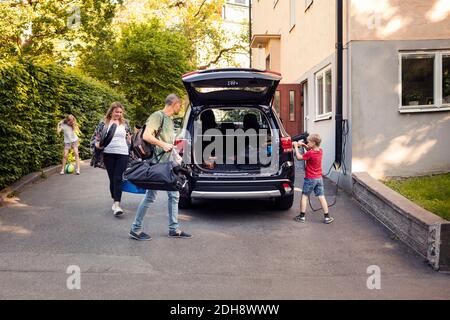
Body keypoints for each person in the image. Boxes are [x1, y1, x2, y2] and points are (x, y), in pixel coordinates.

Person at [129, 94, 192, 241]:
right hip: (157, 164)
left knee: (174, 195)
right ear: (174, 104)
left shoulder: (169, 120)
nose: (180, 107)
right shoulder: (158, 116)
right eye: (180, 105)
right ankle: (135, 229)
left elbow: (166, 140)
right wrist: (163, 145)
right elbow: (146, 136)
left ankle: (174, 229)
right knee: (151, 196)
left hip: (167, 164)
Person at [92, 102, 132, 217]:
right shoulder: (104, 123)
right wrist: (97, 144)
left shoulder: (125, 123)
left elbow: (129, 138)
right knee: (112, 178)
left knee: (118, 178)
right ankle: (115, 199)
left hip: (122, 153)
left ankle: (117, 204)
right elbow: (96, 137)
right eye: (116, 112)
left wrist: (130, 141)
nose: (118, 114)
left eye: (120, 112)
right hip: (108, 153)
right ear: (111, 111)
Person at [292, 134, 334, 224]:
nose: (307, 143)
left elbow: (299, 158)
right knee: (321, 197)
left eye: (309, 142)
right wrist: (304, 146)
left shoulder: (310, 153)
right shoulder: (320, 151)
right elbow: (310, 151)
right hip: (319, 178)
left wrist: (296, 147)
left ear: (314, 143)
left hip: (310, 179)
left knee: (304, 196)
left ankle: (302, 216)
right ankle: (327, 217)